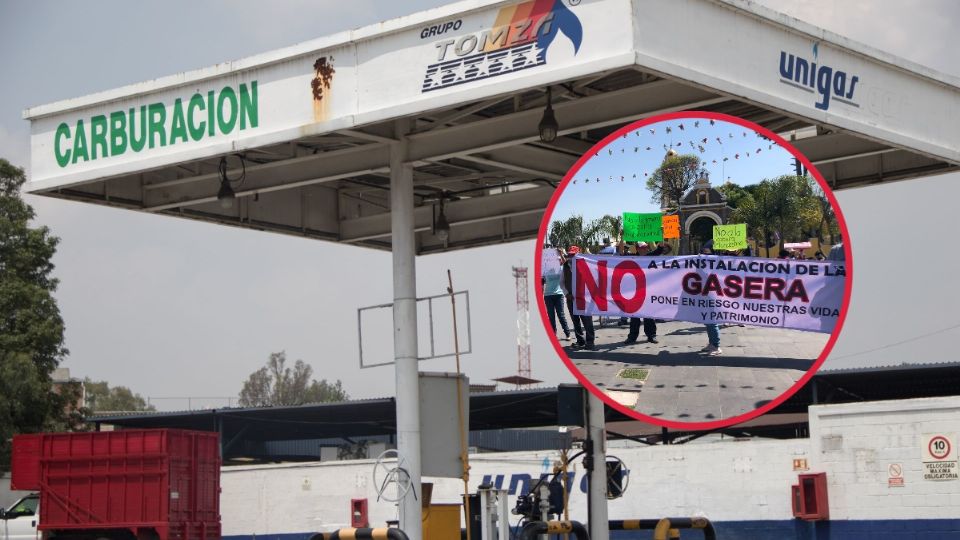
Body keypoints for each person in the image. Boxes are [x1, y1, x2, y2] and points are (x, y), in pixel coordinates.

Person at [624, 241, 662, 345]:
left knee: (649, 315)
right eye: (641, 248)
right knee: (634, 316)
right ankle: (632, 337)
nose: (644, 249)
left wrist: (662, 234)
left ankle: (651, 336)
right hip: (635, 292)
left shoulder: (650, 256)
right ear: (637, 249)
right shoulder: (632, 258)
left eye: (645, 248)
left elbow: (660, 249)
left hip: (648, 290)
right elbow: (621, 253)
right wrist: (622, 236)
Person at [562, 245, 595, 350]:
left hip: (584, 298)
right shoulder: (565, 266)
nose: (571, 257)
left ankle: (590, 342)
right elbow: (561, 283)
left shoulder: (585, 264)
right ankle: (580, 341)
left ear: (578, 254)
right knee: (575, 320)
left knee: (587, 320)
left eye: (573, 254)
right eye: (570, 255)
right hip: (571, 298)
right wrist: (567, 293)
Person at [542, 249, 572, 341]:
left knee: (561, 315)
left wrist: (561, 254)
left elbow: (565, 263)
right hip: (548, 295)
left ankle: (567, 333)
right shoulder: (545, 270)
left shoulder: (561, 269)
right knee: (551, 316)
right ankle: (553, 335)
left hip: (559, 295)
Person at [699, 241, 722, 355]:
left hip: (713, 295)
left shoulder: (717, 263)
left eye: (707, 251)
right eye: (703, 251)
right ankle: (711, 343)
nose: (704, 254)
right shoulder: (703, 263)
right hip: (705, 295)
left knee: (712, 321)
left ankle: (716, 346)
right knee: (707, 321)